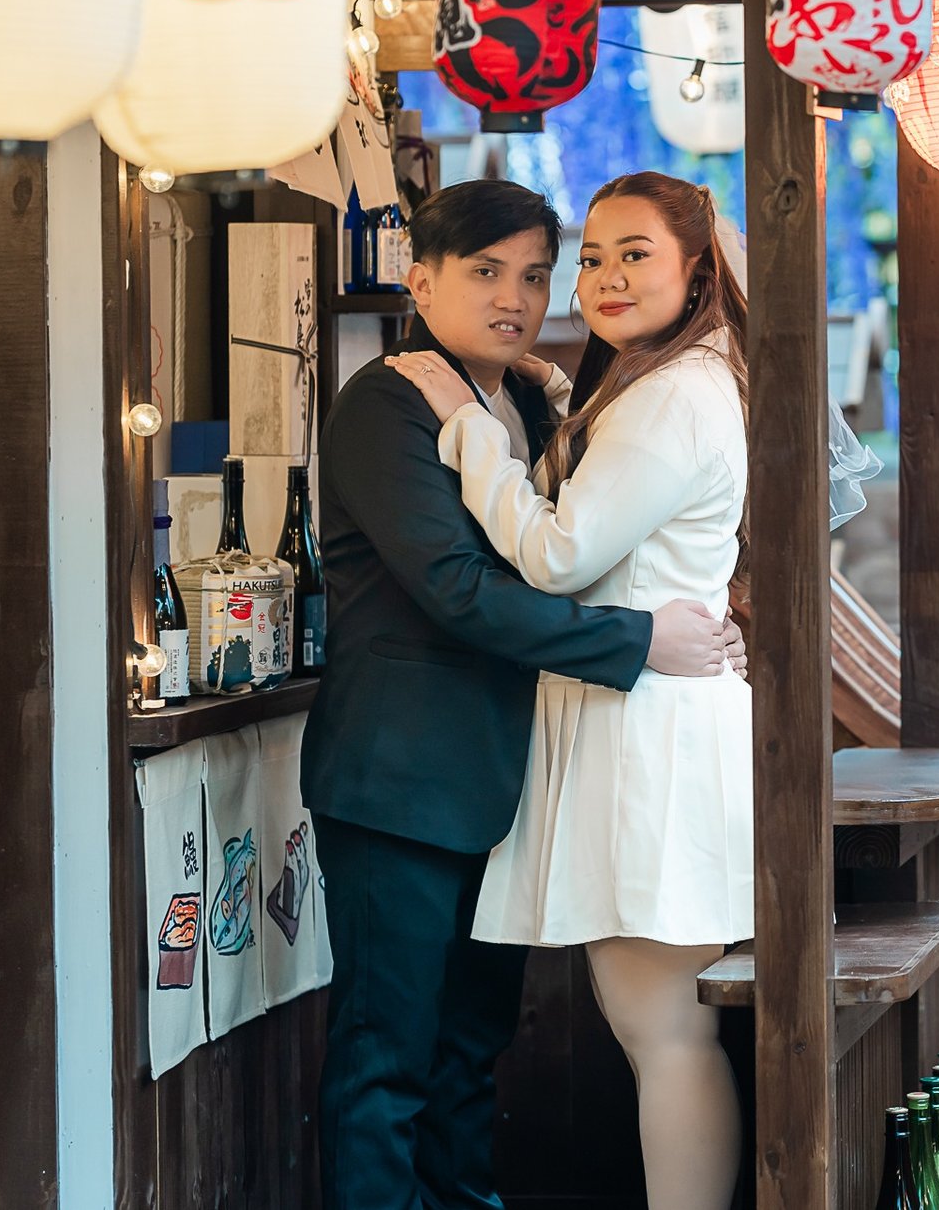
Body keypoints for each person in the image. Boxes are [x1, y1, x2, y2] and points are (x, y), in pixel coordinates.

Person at [303, 178, 745, 1210]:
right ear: (421, 282)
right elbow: (461, 589)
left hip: (503, 786)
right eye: (486, 272)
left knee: (469, 1054)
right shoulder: (387, 403)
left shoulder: (539, 398)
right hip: (402, 780)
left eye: (539, 274)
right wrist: (641, 640)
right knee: (385, 1057)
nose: (517, 296)